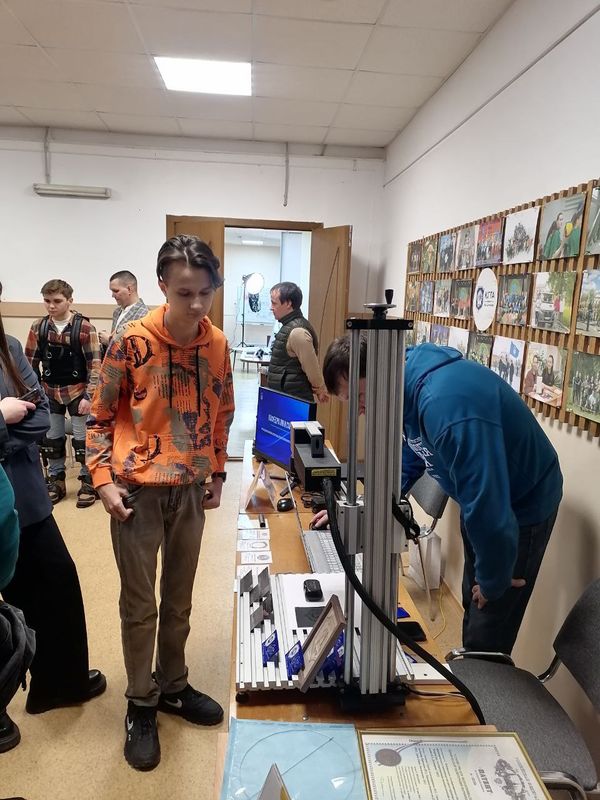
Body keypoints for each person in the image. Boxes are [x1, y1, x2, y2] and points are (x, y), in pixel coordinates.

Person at [87, 235, 235, 771]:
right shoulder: (130, 341)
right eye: (184, 293)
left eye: (205, 293)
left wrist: (218, 470)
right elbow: (99, 415)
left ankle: (173, 684)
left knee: (179, 598)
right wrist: (102, 480)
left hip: (190, 488)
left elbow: (222, 410)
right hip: (136, 490)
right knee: (139, 604)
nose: (196, 305)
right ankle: (141, 701)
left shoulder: (217, 343)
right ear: (162, 287)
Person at [315, 337, 562, 655]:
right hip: (482, 498)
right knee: (473, 596)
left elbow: (488, 505)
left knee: (489, 618)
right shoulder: (402, 385)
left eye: (359, 398)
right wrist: (363, 508)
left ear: (379, 369)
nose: (360, 411)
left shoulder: (444, 406)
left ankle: (479, 678)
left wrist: (493, 582)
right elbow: (412, 452)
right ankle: (472, 653)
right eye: (351, 402)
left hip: (522, 503)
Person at [0, 306, 105, 748]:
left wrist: (6, 432)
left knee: (57, 581)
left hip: (24, 496)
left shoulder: (7, 348)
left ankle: (60, 682)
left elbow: (42, 415)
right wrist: (2, 418)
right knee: (10, 603)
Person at [25, 279, 101, 507]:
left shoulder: (85, 328)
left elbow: (95, 366)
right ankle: (56, 480)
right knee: (52, 439)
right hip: (49, 392)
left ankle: (88, 480)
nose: (51, 306)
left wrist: (89, 397)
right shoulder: (38, 327)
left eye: (57, 301)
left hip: (78, 391)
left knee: (82, 440)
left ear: (70, 300)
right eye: (47, 301)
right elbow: (29, 364)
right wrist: (34, 395)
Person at [267, 281, 328, 403]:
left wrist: (320, 389)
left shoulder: (297, 332)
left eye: (274, 303)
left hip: (294, 401)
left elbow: (311, 366)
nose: (271, 307)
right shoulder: (288, 326)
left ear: (288, 303)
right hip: (285, 397)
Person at [98, 270, 149, 352]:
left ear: (129, 289)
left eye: (116, 291)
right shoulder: (117, 312)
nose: (112, 295)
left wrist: (109, 341)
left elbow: (139, 349)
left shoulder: (145, 314)